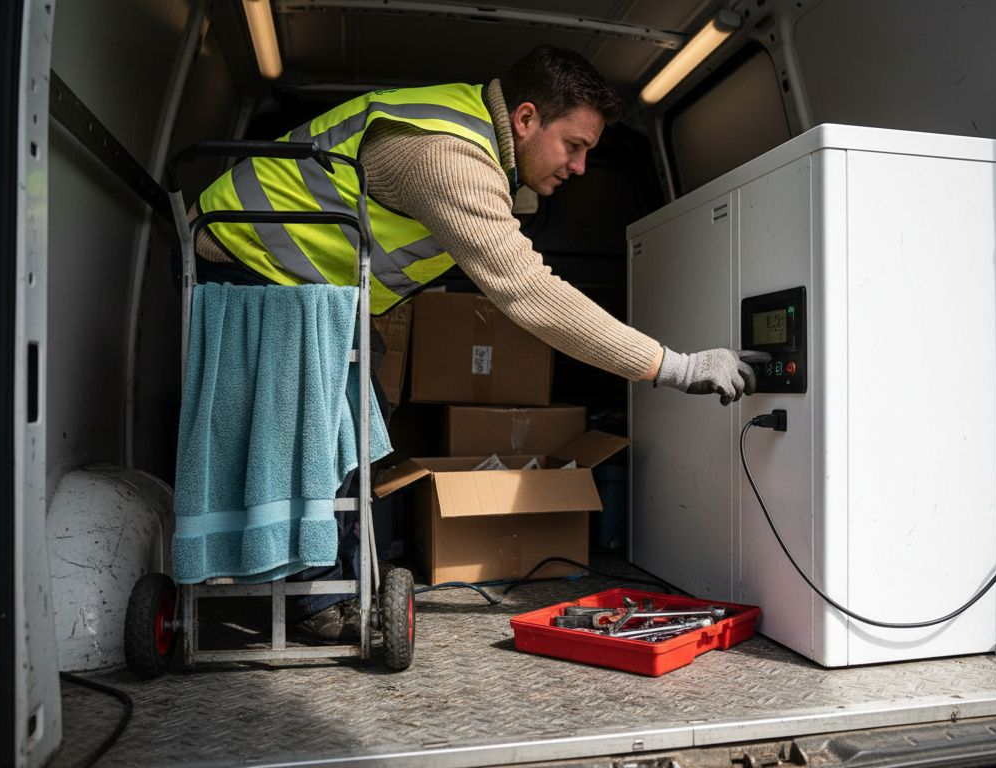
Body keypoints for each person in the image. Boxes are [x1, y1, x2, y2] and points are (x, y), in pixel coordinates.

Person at [191, 45, 766, 640]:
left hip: (312, 289)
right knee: (314, 434)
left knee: (359, 428)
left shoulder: (473, 140)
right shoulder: (448, 157)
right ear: (523, 119)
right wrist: (674, 366)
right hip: (248, 261)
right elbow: (529, 293)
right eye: (575, 145)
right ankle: (314, 594)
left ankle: (334, 580)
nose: (580, 166)